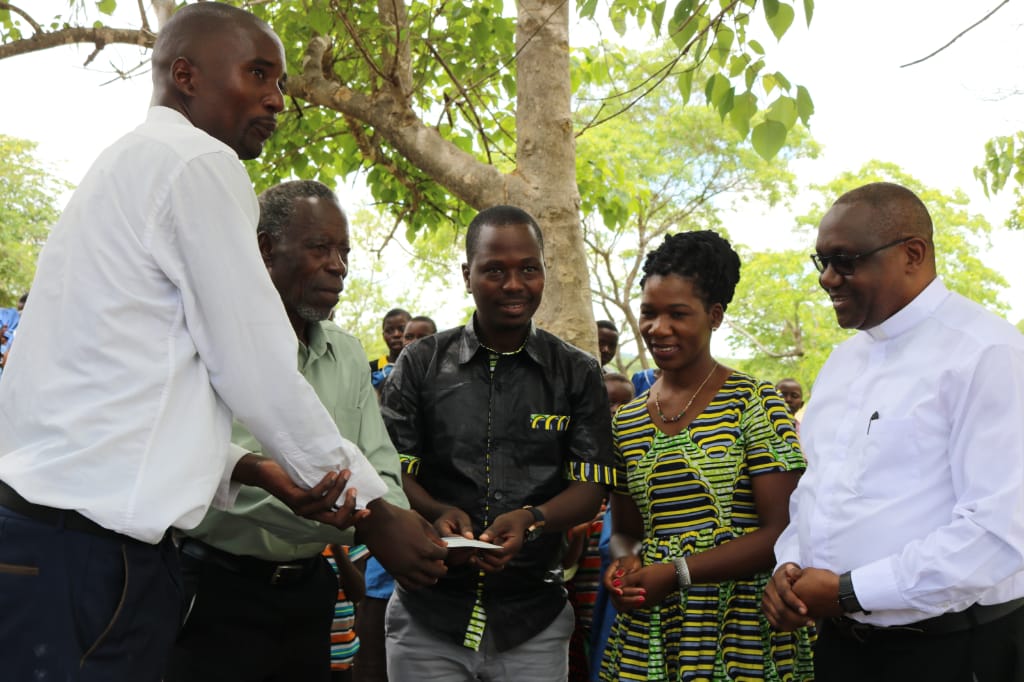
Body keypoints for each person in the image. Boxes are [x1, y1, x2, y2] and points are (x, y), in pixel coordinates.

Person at [0, 6, 403, 680]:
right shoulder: (196, 162)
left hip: (52, 544)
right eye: (258, 74)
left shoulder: (127, 164)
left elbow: (124, 404)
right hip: (94, 560)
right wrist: (376, 513)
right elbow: (256, 371)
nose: (278, 99)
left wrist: (248, 469)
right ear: (185, 74)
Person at [165, 181, 445, 681]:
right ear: (265, 249)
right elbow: (201, 462)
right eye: (320, 248)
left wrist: (401, 527)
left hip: (309, 593)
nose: (338, 265)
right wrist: (369, 520)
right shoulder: (202, 340)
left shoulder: (347, 352)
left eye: (344, 252)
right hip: (213, 589)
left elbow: (378, 462)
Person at [763, 182, 1024, 682]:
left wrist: (848, 590)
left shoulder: (985, 353)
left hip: (951, 650)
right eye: (821, 261)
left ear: (913, 254)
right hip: (845, 648)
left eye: (845, 259)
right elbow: (818, 495)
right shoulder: (843, 362)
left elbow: (998, 532)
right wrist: (790, 570)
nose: (827, 279)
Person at [380, 205, 616, 680]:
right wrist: (434, 511)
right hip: (430, 613)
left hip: (534, 618)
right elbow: (391, 469)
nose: (514, 284)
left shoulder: (577, 371)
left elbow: (591, 487)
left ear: (544, 272)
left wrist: (533, 520)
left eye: (529, 268)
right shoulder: (421, 363)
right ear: (467, 275)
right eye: (494, 270)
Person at [600, 230, 813, 681]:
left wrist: (678, 573)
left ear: (714, 315)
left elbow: (783, 530)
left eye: (678, 314)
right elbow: (626, 532)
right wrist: (625, 565)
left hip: (741, 632)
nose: (659, 328)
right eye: (649, 313)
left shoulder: (754, 403)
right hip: (653, 634)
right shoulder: (625, 421)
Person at [356, 312, 438, 682]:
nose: (408, 343)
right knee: (373, 651)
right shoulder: (379, 388)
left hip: (434, 551)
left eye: (420, 337)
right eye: (404, 336)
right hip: (385, 547)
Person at [369, 308, 410, 392]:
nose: (396, 334)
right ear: (383, 336)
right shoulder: (369, 369)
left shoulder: (423, 368)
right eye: (389, 331)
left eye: (402, 329)